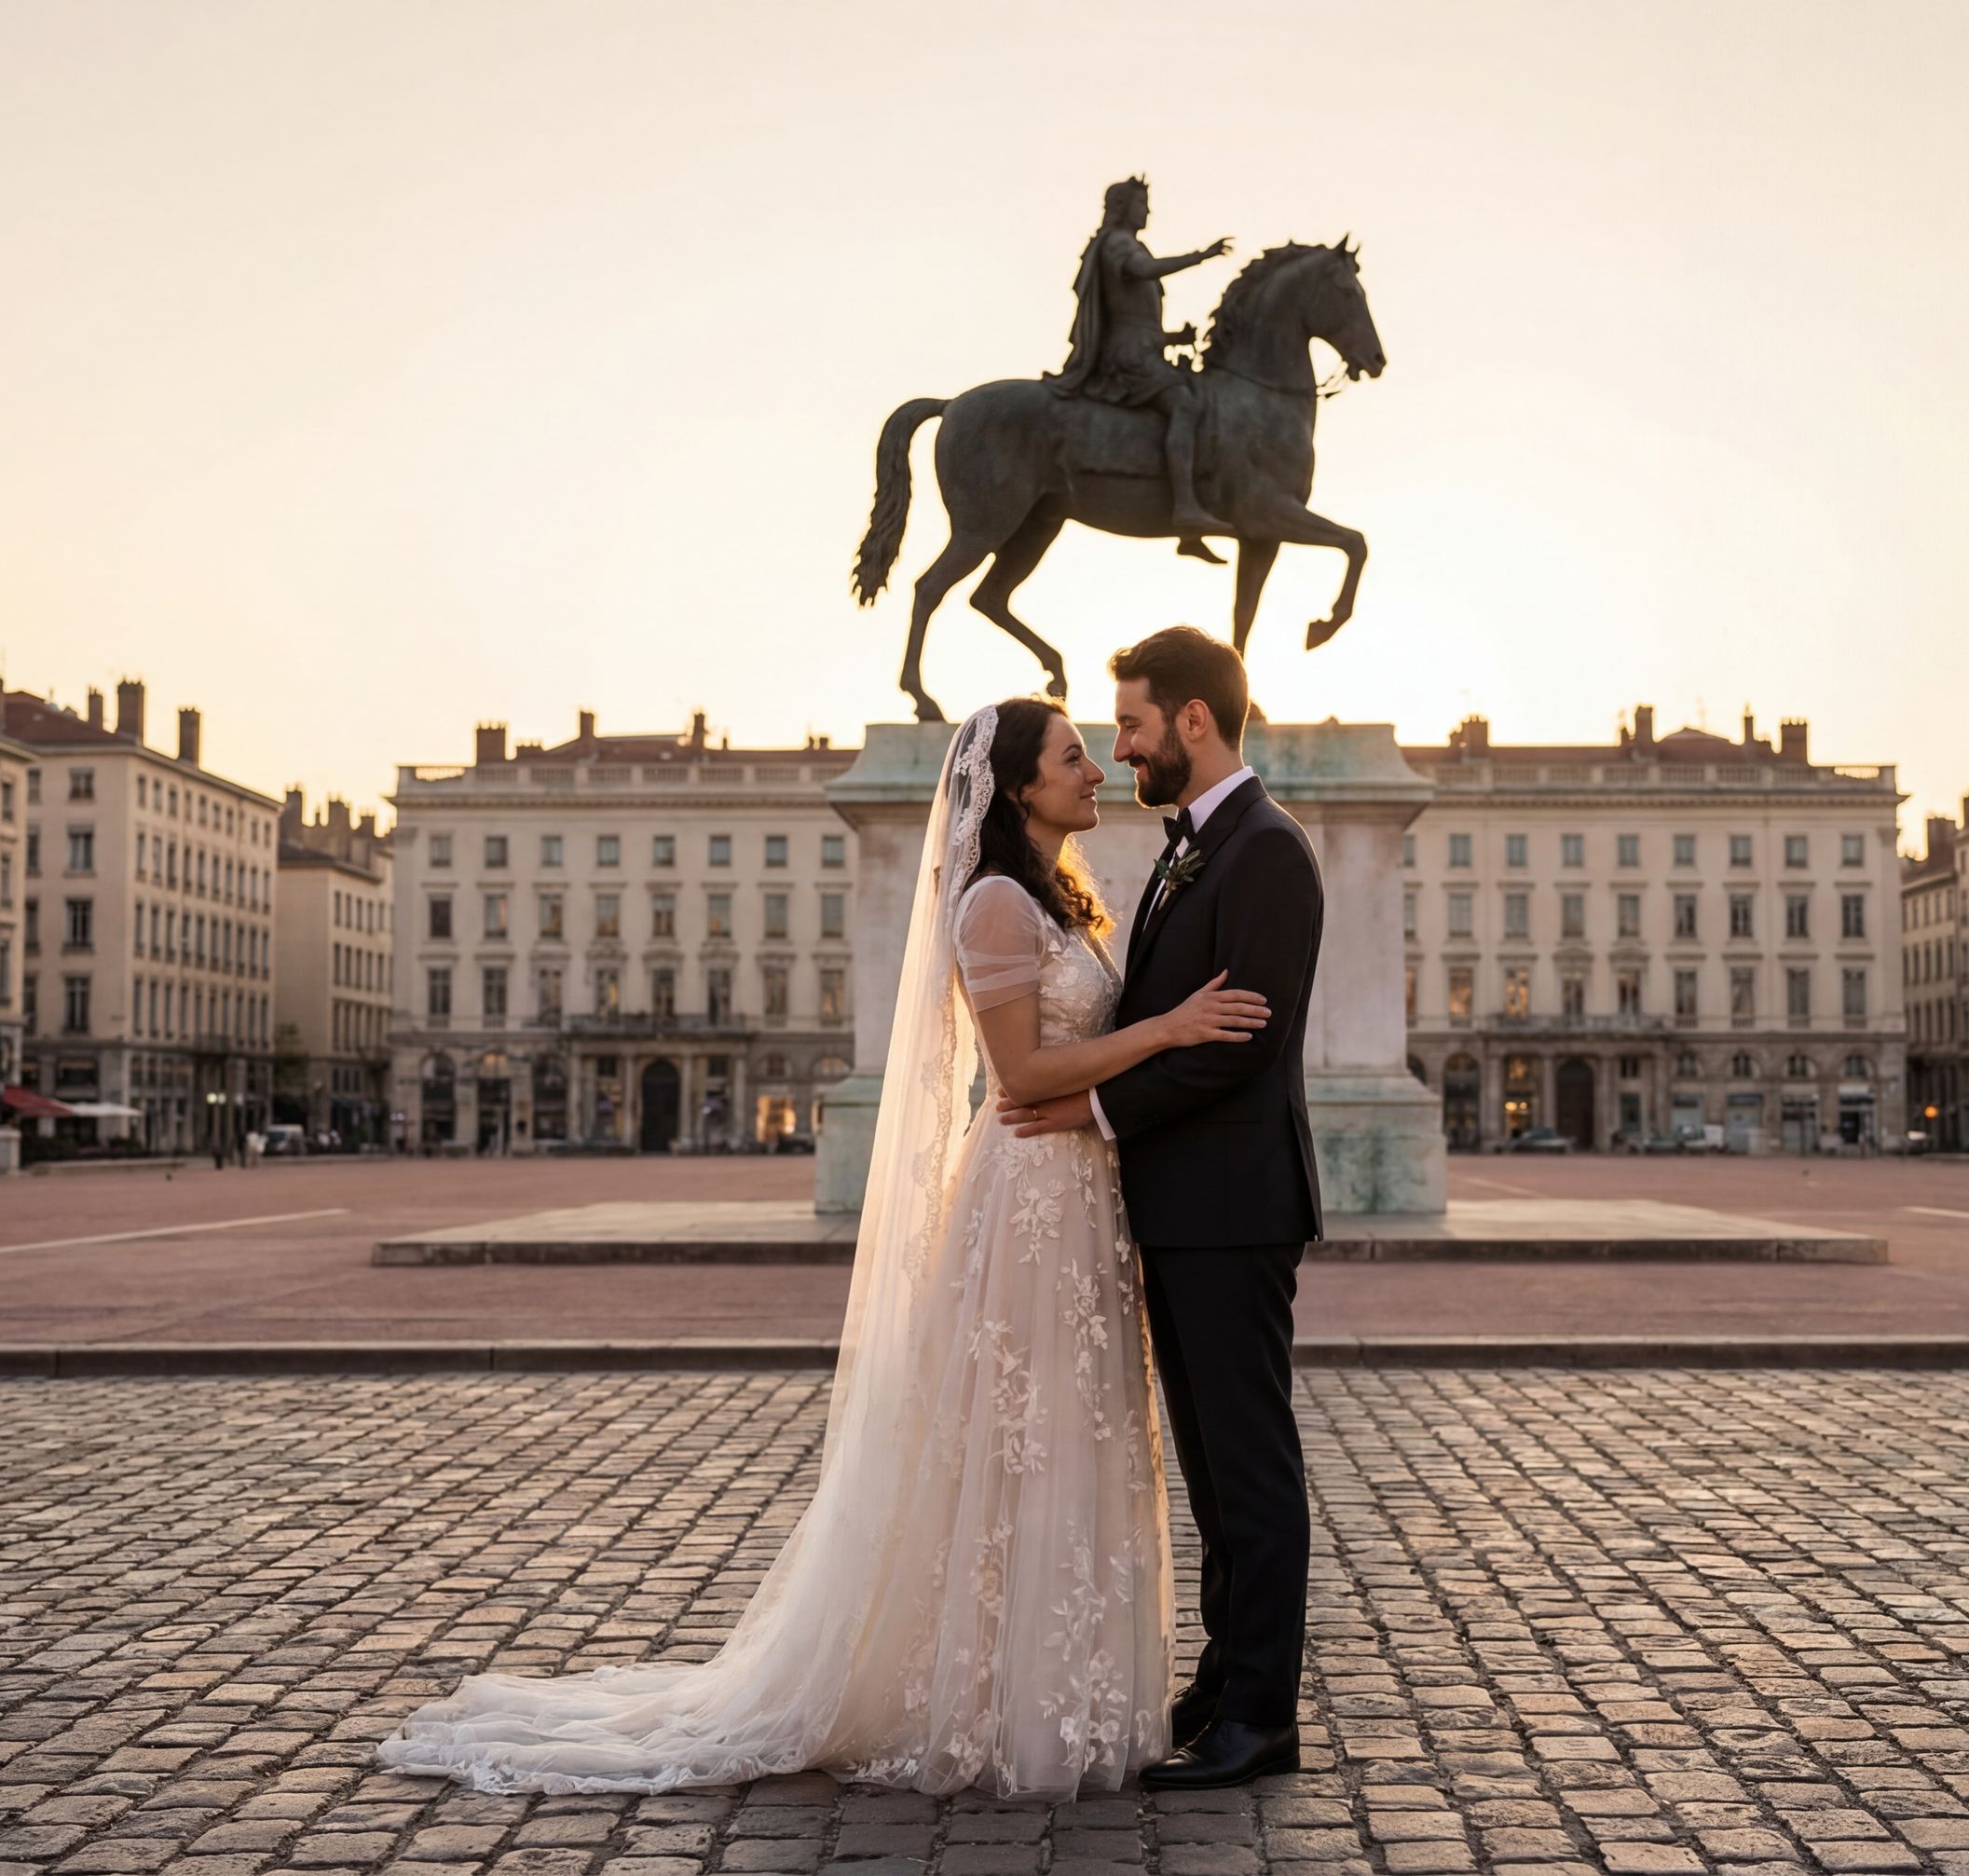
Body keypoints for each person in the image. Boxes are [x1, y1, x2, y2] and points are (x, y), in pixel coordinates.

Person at [378, 689, 1277, 1801]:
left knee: (1067, 1432)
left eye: (1098, 753)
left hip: (1079, 1196)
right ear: (1016, 784)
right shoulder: (994, 900)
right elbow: (1019, 1078)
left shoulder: (1061, 895)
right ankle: (997, 1695)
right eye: (1075, 757)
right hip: (1030, 1198)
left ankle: (1052, 1684)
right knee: (1018, 1439)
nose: (1097, 771)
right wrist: (1169, 1028)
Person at [1000, 625, 1325, 1790]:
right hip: (1188, 1206)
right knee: (1211, 1463)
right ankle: (1223, 1684)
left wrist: (1092, 1115)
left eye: (1131, 723)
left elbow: (1241, 1047)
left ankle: (1262, 1717)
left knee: (1249, 1465)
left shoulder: (1267, 853)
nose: (1120, 747)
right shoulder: (1200, 847)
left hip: (1235, 1206)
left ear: (1195, 719)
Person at [1046, 176, 1234, 558]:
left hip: (1141, 348)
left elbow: (1134, 319)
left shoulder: (1129, 245)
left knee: (1200, 397)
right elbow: (1145, 273)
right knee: (1184, 402)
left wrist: (1172, 338)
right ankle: (1184, 508)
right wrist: (1202, 255)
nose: (1147, 211)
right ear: (1122, 207)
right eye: (1141, 204)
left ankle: (1190, 517)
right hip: (1128, 358)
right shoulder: (1117, 244)